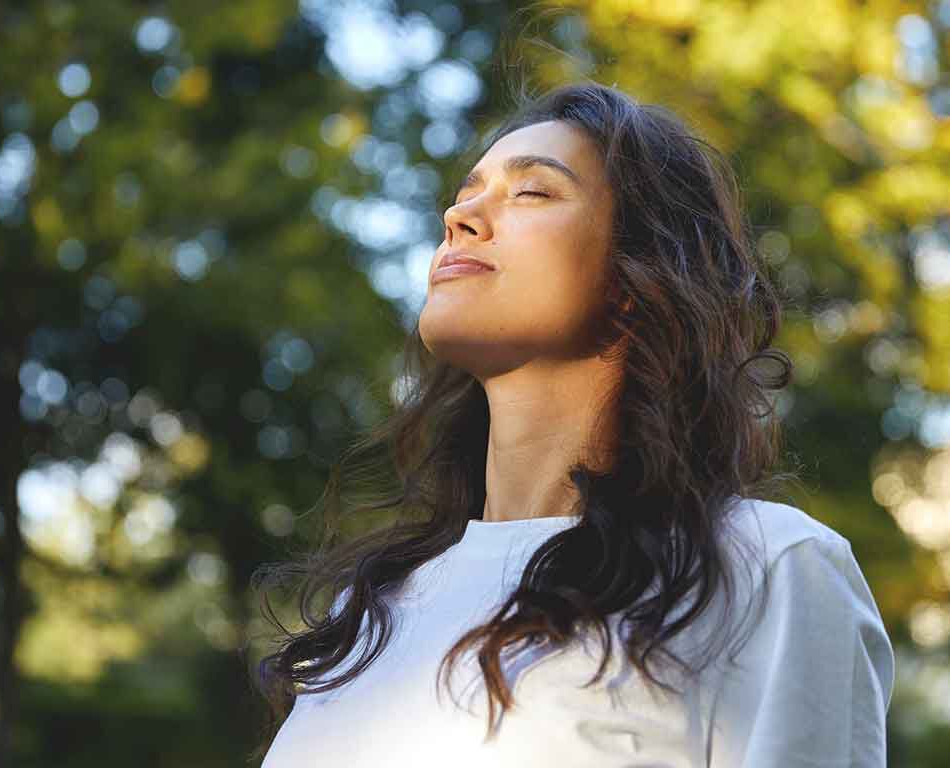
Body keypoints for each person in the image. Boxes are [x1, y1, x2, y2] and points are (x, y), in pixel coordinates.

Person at [249, 81, 894, 767]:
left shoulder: (767, 569)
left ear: (636, 276)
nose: (460, 215)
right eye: (468, 192)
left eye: (532, 191)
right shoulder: (370, 609)